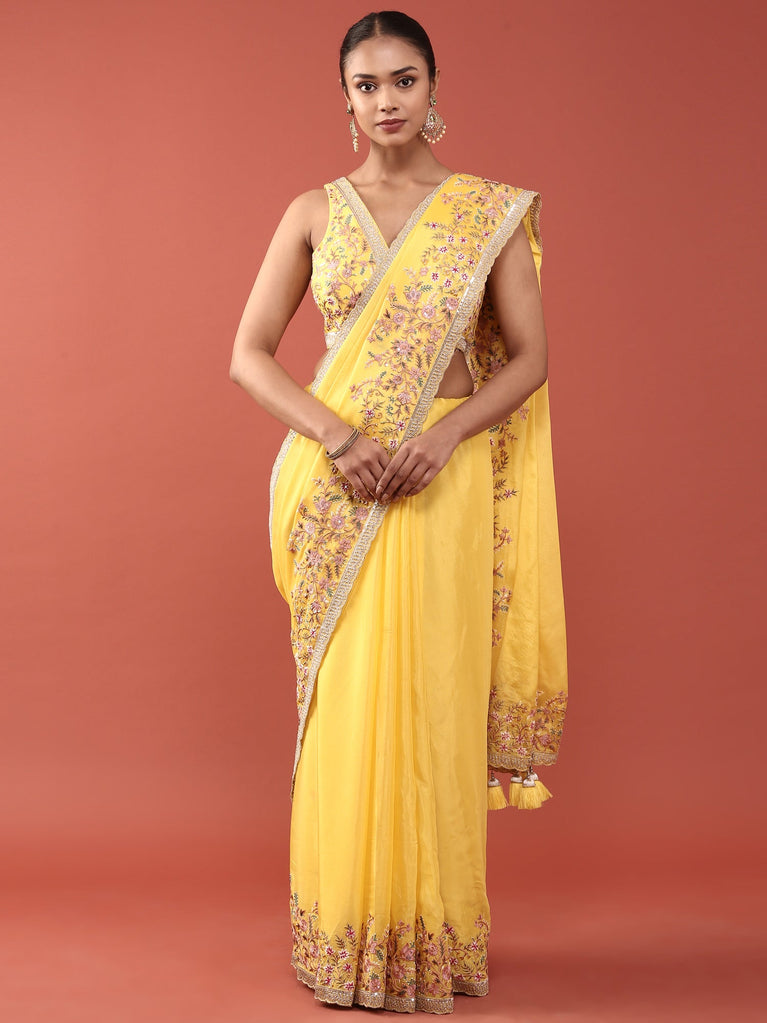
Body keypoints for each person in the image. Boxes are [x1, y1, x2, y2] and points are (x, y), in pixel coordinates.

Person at [229, 10, 568, 1014]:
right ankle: (344, 935)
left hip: (438, 483)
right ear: (344, 98)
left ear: (432, 88)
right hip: (336, 487)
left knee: (433, 699)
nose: (386, 100)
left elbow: (530, 360)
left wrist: (445, 435)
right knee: (349, 711)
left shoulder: (486, 213)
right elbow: (247, 355)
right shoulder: (311, 213)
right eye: (367, 84)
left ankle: (426, 939)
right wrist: (339, 439)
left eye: (403, 80)